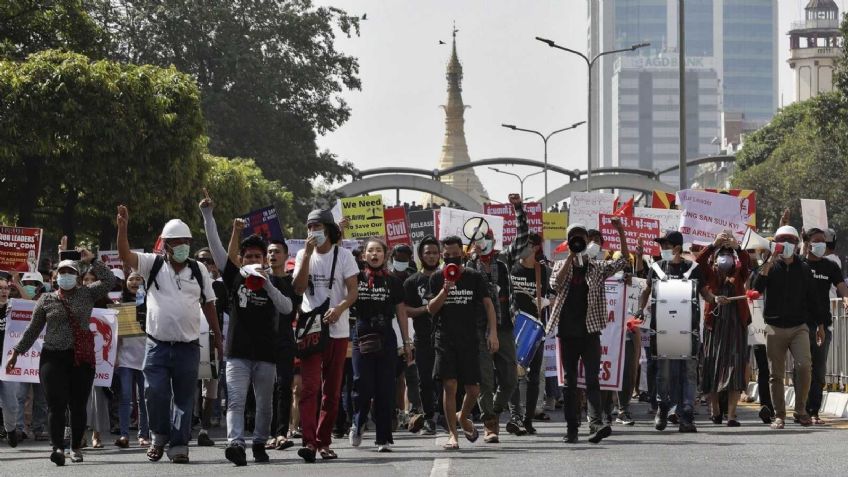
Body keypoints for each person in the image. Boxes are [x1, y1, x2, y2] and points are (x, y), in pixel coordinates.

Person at [116, 205, 223, 463]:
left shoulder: (199, 270)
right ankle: (158, 436)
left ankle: (178, 445)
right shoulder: (151, 264)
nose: (182, 246)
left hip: (188, 346)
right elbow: (125, 255)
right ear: (165, 245)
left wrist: (218, 337)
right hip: (157, 346)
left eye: (186, 242)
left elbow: (208, 304)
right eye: (176, 242)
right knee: (154, 392)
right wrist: (122, 228)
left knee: (184, 398)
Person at [200, 194, 293, 466]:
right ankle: (236, 444)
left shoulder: (274, 281)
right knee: (237, 401)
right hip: (238, 352)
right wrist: (208, 215)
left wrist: (266, 284)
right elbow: (216, 247)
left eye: (257, 256)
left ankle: (260, 442)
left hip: (266, 354)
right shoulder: (234, 277)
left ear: (265, 259)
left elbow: (287, 308)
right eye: (248, 256)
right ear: (241, 259)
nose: (253, 259)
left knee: (264, 405)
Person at [6, 252, 116, 466]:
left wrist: (92, 260)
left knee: (78, 405)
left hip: (81, 359)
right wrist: (16, 352)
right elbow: (33, 329)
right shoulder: (47, 299)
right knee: (56, 405)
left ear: (77, 275)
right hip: (53, 358)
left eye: (70, 272)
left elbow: (109, 280)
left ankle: (75, 446)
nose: (66, 275)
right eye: (62, 272)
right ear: (56, 276)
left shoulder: (87, 294)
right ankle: (58, 447)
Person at [549, 220, 628, 444]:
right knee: (571, 382)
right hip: (567, 333)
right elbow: (555, 283)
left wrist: (620, 232)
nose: (577, 241)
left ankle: (595, 424)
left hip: (590, 332)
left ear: (586, 241)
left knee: (593, 379)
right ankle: (572, 428)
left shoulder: (597, 266)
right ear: (568, 241)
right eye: (573, 238)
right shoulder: (560, 264)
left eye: (581, 238)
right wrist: (571, 258)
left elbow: (623, 261)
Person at [292, 209, 359, 462]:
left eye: (317, 227)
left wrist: (340, 308)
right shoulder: (302, 254)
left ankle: (324, 441)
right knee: (309, 388)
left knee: (331, 391)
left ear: (329, 229)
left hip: (338, 330)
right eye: (309, 227)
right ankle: (308, 442)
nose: (313, 232)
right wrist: (307, 256)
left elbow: (353, 292)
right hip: (312, 330)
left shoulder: (344, 256)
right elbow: (298, 288)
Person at [427, 235, 499, 450]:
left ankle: (463, 416)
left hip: (470, 337)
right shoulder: (437, 277)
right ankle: (453, 435)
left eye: (456, 255)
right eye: (448, 256)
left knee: (474, 389)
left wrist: (492, 332)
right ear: (442, 256)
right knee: (450, 386)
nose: (452, 259)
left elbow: (488, 305)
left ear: (463, 253)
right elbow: (431, 309)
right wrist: (445, 289)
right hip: (445, 338)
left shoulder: (474, 277)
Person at [637, 230, 707, 433]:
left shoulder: (693, 268)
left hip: (688, 331)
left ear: (677, 248)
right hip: (662, 331)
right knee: (663, 375)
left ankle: (686, 414)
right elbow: (646, 291)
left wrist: (716, 299)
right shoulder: (656, 268)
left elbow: (705, 293)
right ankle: (663, 408)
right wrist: (641, 309)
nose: (662, 249)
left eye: (665, 246)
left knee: (689, 374)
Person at [752, 225, 821, 429]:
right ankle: (779, 415)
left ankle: (800, 411)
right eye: (782, 240)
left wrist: (820, 324)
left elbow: (813, 299)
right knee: (776, 374)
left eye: (791, 240)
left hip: (799, 326)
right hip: (774, 327)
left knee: (804, 367)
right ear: (776, 243)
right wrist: (768, 263)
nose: (787, 244)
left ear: (796, 243)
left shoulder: (804, 268)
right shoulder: (770, 266)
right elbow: (756, 289)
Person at [349, 238, 413, 452]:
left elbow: (401, 312)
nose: (374, 254)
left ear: (385, 255)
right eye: (370, 251)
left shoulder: (393, 282)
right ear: (363, 255)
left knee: (385, 388)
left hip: (386, 335)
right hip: (361, 334)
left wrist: (406, 342)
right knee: (362, 385)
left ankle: (383, 438)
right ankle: (357, 424)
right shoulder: (355, 278)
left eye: (378, 250)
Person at [696, 231, 751, 427]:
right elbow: (698, 263)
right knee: (712, 364)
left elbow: (748, 264)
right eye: (722, 252)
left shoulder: (739, 273)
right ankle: (715, 411)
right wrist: (713, 245)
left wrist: (737, 247)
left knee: (735, 366)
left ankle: (732, 414)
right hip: (714, 326)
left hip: (736, 325)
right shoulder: (710, 272)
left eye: (729, 253)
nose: (725, 256)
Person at [801, 227, 848, 424]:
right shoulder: (798, 265)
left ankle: (813, 411)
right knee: (802, 369)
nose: (821, 244)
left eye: (824, 241)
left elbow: (841, 285)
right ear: (807, 243)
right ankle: (800, 409)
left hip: (823, 326)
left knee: (819, 371)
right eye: (817, 240)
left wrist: (846, 298)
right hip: (800, 326)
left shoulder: (829, 266)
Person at [403, 236, 441, 436]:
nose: (432, 256)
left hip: (446, 337)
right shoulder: (411, 282)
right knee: (424, 379)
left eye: (435, 252)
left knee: (446, 379)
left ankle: (446, 414)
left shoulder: (447, 278)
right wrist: (427, 309)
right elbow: (406, 310)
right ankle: (428, 417)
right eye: (428, 252)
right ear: (420, 256)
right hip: (423, 337)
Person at [267, 239, 300, 451]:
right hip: (263, 342)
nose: (272, 255)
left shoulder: (293, 283)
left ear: (286, 256)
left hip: (286, 341)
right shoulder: (259, 280)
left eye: (277, 252)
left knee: (284, 386)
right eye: (269, 252)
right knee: (265, 389)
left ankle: (280, 432)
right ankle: (267, 433)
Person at [114, 271, 150, 448]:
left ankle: (144, 434)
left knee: (144, 398)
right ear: (125, 283)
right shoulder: (119, 305)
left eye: (138, 278)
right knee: (125, 396)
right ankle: (124, 435)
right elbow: (116, 336)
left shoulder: (151, 302)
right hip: (125, 359)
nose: (134, 282)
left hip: (146, 358)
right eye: (131, 279)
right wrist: (114, 357)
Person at [0, 276, 20, 447]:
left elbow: (34, 304)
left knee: (11, 403)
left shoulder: (15, 307)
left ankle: (10, 429)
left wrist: (17, 282)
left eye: (6, 288)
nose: (4, 291)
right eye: (0, 288)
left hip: (8, 362)